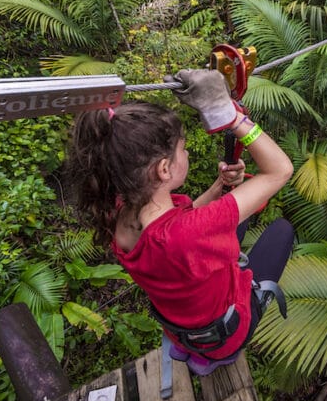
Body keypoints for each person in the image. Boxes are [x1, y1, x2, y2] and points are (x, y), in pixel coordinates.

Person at [66, 69, 295, 375]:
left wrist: (219, 188)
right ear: (163, 169)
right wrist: (231, 116)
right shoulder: (190, 233)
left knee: (240, 222)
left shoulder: (116, 213)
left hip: (181, 328)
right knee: (282, 231)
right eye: (183, 149)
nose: (185, 153)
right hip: (224, 335)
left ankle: (196, 350)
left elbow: (181, 224)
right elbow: (279, 170)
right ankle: (221, 353)